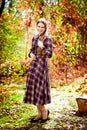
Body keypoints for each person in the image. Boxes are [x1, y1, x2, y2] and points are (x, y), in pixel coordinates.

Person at [23, 18, 53, 123]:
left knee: (39, 89)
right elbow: (32, 50)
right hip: (33, 66)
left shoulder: (48, 39)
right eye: (39, 26)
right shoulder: (35, 38)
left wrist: (43, 47)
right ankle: (39, 114)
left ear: (45, 28)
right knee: (34, 89)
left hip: (41, 67)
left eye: (42, 27)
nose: (40, 28)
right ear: (37, 27)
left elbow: (50, 54)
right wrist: (30, 54)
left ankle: (44, 112)